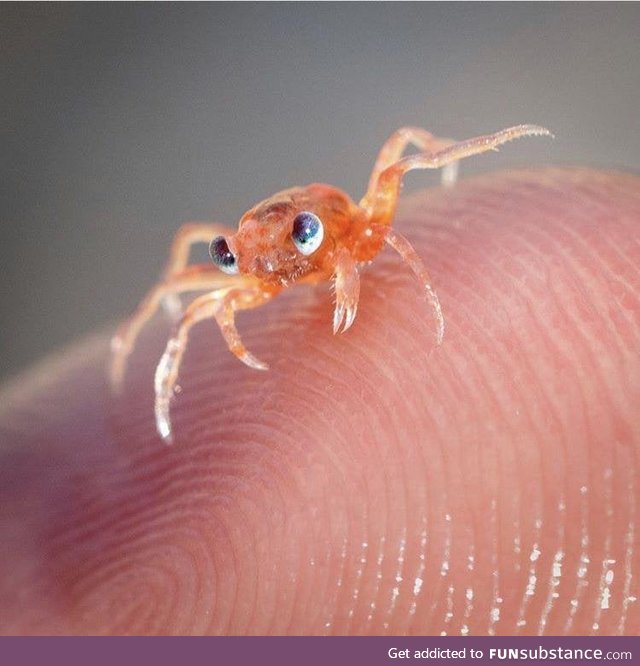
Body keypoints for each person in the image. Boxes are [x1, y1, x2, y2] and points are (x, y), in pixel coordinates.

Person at [1, 167, 638, 635]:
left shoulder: (350, 230)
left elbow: (398, 163)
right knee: (194, 309)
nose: (263, 268)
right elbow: (210, 278)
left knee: (398, 155)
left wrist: (416, 281)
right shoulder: (256, 265)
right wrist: (153, 332)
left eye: (298, 239)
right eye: (229, 257)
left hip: (334, 228)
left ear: (311, 230)